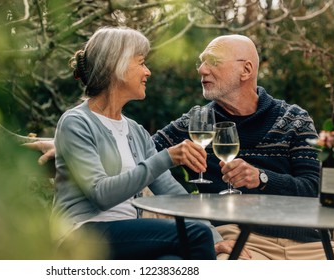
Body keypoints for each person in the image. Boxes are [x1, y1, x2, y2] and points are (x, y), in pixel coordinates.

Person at [27, 34, 334, 260]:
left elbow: (314, 189)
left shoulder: (294, 119)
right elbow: (135, 159)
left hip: (308, 240)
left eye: (213, 62)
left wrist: (262, 179)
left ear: (246, 70)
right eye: (200, 62)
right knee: (203, 251)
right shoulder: (195, 122)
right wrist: (63, 144)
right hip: (239, 235)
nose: (201, 70)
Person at [48, 26, 219, 260]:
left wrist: (217, 238)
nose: (147, 72)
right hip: (82, 236)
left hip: (128, 237)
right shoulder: (75, 122)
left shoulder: (136, 132)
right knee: (195, 235)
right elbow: (101, 195)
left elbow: (171, 193)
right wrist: (167, 157)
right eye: (141, 63)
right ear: (116, 66)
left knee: (173, 262)